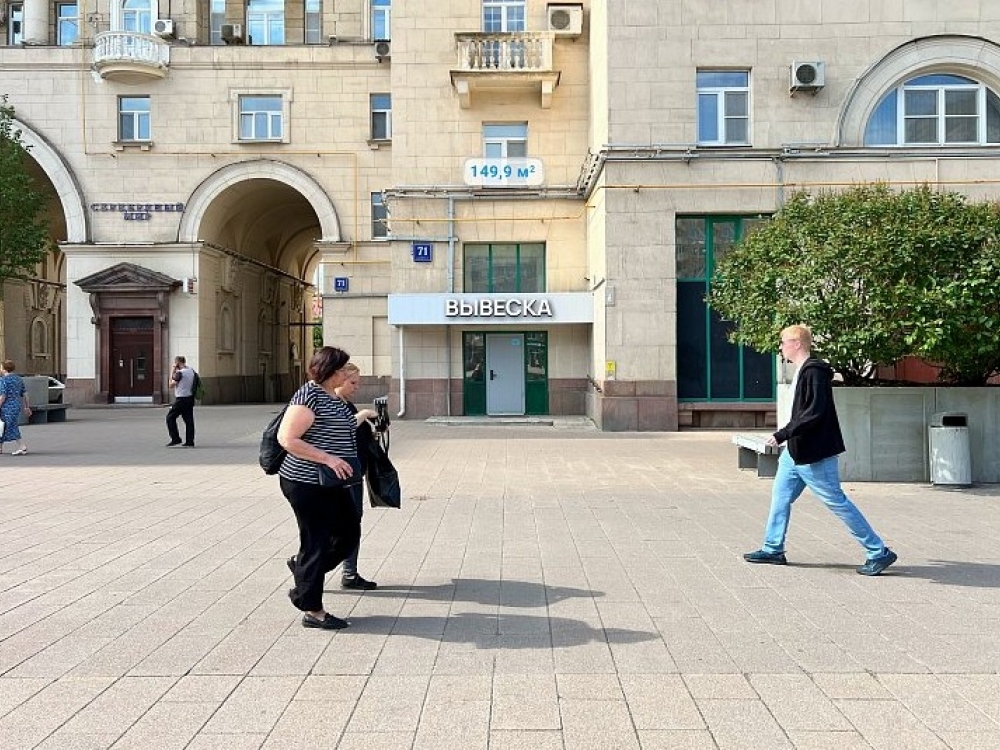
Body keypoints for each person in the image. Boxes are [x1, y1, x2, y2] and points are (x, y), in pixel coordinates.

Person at [743, 324, 898, 576]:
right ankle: (773, 549)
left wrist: (782, 434)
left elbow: (813, 413)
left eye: (783, 342)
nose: (780, 348)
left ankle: (878, 552)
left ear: (796, 343)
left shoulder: (814, 372)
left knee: (837, 502)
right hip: (795, 453)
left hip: (814, 454)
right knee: (780, 497)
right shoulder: (802, 371)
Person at [277, 346, 362, 630]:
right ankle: (313, 610)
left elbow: (340, 429)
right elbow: (287, 438)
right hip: (306, 481)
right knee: (316, 541)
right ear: (331, 370)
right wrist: (328, 458)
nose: (346, 373)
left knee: (348, 533)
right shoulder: (309, 395)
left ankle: (303, 571)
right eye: (343, 368)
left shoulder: (332, 396)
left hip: (331, 481)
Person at [333, 362, 379, 590]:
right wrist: (364, 415)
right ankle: (307, 564)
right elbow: (342, 429)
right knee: (343, 525)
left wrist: (374, 430)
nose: (357, 387)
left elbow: (354, 435)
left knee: (351, 524)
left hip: (352, 472)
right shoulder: (331, 403)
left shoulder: (345, 404)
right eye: (353, 382)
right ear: (338, 379)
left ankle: (348, 572)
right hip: (341, 475)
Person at [0, 361, 32, 455]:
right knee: (4, 426)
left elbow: (3, 396)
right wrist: (27, 407)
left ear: (4, 369)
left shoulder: (3, 380)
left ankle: (22, 446)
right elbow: (25, 394)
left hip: (6, 406)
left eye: (1, 367)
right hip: (16, 405)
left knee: (10, 426)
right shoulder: (18, 379)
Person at [165, 356, 196, 447]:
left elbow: (171, 385)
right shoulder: (191, 370)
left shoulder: (180, 373)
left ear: (178, 363)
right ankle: (190, 441)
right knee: (189, 420)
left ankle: (175, 438)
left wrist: (172, 371)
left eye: (175, 363)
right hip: (189, 397)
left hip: (181, 399)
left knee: (170, 417)